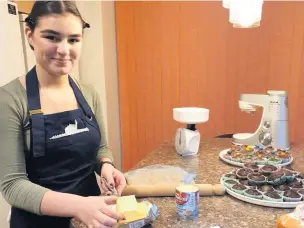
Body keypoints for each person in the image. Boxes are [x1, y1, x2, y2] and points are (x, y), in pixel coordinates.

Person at [0, 1, 126, 227]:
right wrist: (78, 205)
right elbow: (13, 186)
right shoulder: (9, 99)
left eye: (73, 40)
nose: (64, 50)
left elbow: (101, 148)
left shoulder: (88, 93)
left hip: (89, 218)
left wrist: (106, 165)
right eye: (52, 37)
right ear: (30, 35)